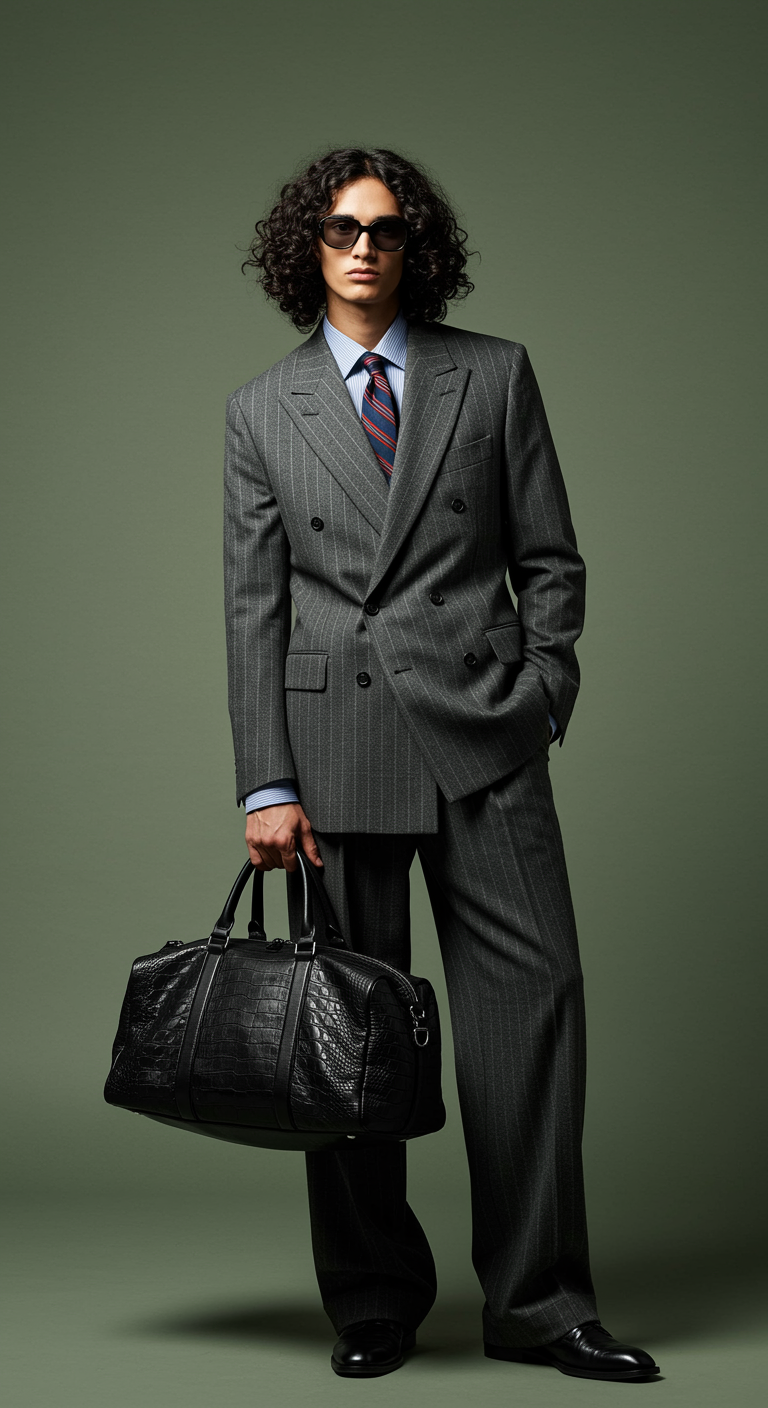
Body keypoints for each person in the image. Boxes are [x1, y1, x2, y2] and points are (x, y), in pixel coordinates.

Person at [224, 147, 659, 1382]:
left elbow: (552, 560)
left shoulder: (495, 374)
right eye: (342, 229)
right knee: (345, 1038)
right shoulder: (261, 410)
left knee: (532, 1014)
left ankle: (541, 1301)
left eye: (390, 229)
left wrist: (543, 696)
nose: (366, 248)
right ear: (306, 246)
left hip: (485, 736)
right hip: (335, 748)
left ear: (419, 246)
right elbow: (254, 606)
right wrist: (267, 782)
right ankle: (371, 1299)